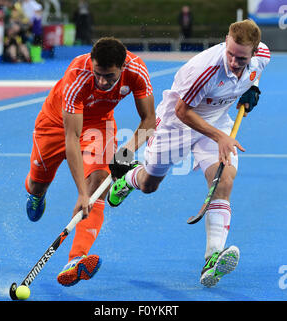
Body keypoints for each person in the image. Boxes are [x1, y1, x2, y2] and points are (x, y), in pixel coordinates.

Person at [108, 19, 270, 287]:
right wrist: (219, 137)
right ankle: (129, 179)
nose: (233, 61)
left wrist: (252, 88)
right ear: (225, 42)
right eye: (229, 53)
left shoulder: (261, 55)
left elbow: (256, 73)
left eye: (241, 58)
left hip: (216, 121)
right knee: (150, 184)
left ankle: (212, 258)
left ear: (253, 53)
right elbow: (183, 111)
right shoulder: (205, 69)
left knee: (223, 181)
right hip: (176, 125)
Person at [25, 37, 156, 286]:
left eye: (110, 76)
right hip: (55, 124)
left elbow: (149, 121)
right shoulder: (78, 73)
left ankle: (75, 259)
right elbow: (71, 138)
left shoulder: (137, 70)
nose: (103, 82)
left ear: (123, 66)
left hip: (99, 124)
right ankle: (36, 194)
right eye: (98, 74)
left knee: (98, 187)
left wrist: (125, 153)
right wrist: (80, 193)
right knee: (37, 185)